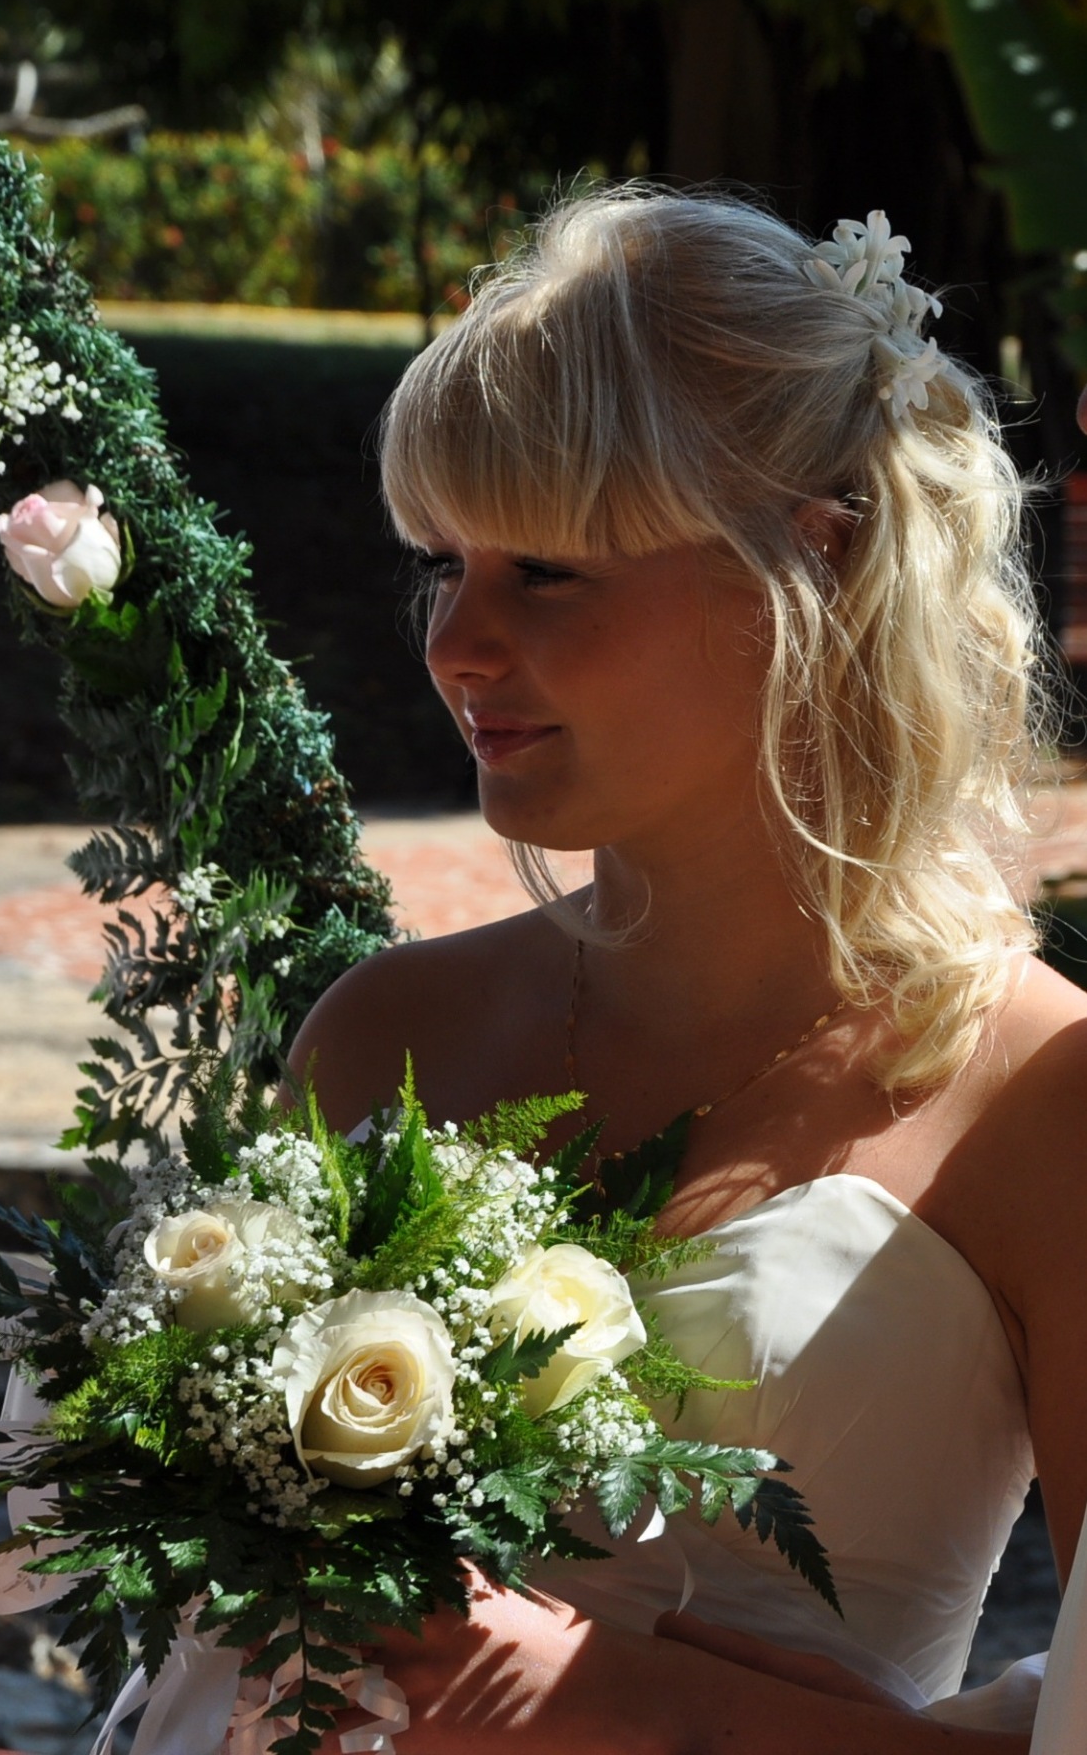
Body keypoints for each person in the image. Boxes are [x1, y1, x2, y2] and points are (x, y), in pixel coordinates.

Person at [288, 188, 1087, 1752]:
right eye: (442, 564)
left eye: (545, 571)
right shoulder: (380, 1035)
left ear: (812, 563)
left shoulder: (1035, 1099)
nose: (455, 643)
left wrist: (634, 1703)